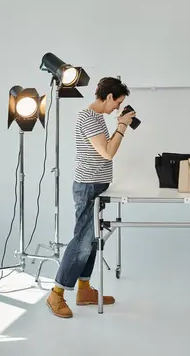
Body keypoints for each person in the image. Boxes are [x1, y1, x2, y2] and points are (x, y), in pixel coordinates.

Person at [46, 77, 135, 318]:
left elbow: (103, 149)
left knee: (93, 240)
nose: (117, 107)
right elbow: (107, 153)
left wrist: (118, 124)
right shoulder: (88, 117)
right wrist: (122, 126)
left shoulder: (97, 118)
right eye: (117, 102)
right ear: (108, 97)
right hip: (87, 187)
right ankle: (56, 293)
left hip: (97, 186)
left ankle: (83, 289)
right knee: (82, 242)